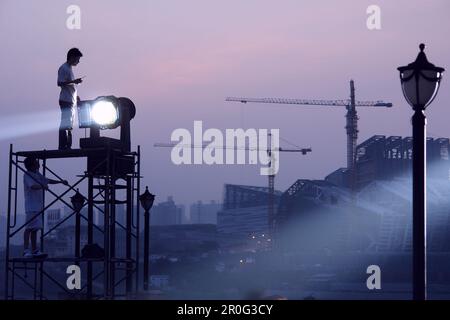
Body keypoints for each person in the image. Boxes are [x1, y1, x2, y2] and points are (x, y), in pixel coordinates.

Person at [23, 157, 68, 258]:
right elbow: (32, 186)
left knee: (35, 229)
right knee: (29, 228)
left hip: (38, 206)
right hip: (31, 206)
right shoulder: (27, 175)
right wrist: (42, 186)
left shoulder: (37, 174)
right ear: (32, 164)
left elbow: (47, 180)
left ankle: (34, 250)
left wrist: (60, 182)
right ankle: (26, 250)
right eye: (36, 162)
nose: (38, 164)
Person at [57, 48, 83, 150]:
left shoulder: (69, 68)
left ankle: (68, 145)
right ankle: (62, 146)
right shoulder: (63, 68)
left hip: (71, 100)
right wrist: (74, 81)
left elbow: (70, 85)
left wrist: (76, 96)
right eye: (77, 59)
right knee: (65, 123)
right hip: (65, 100)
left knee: (70, 124)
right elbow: (59, 83)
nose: (78, 61)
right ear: (72, 57)